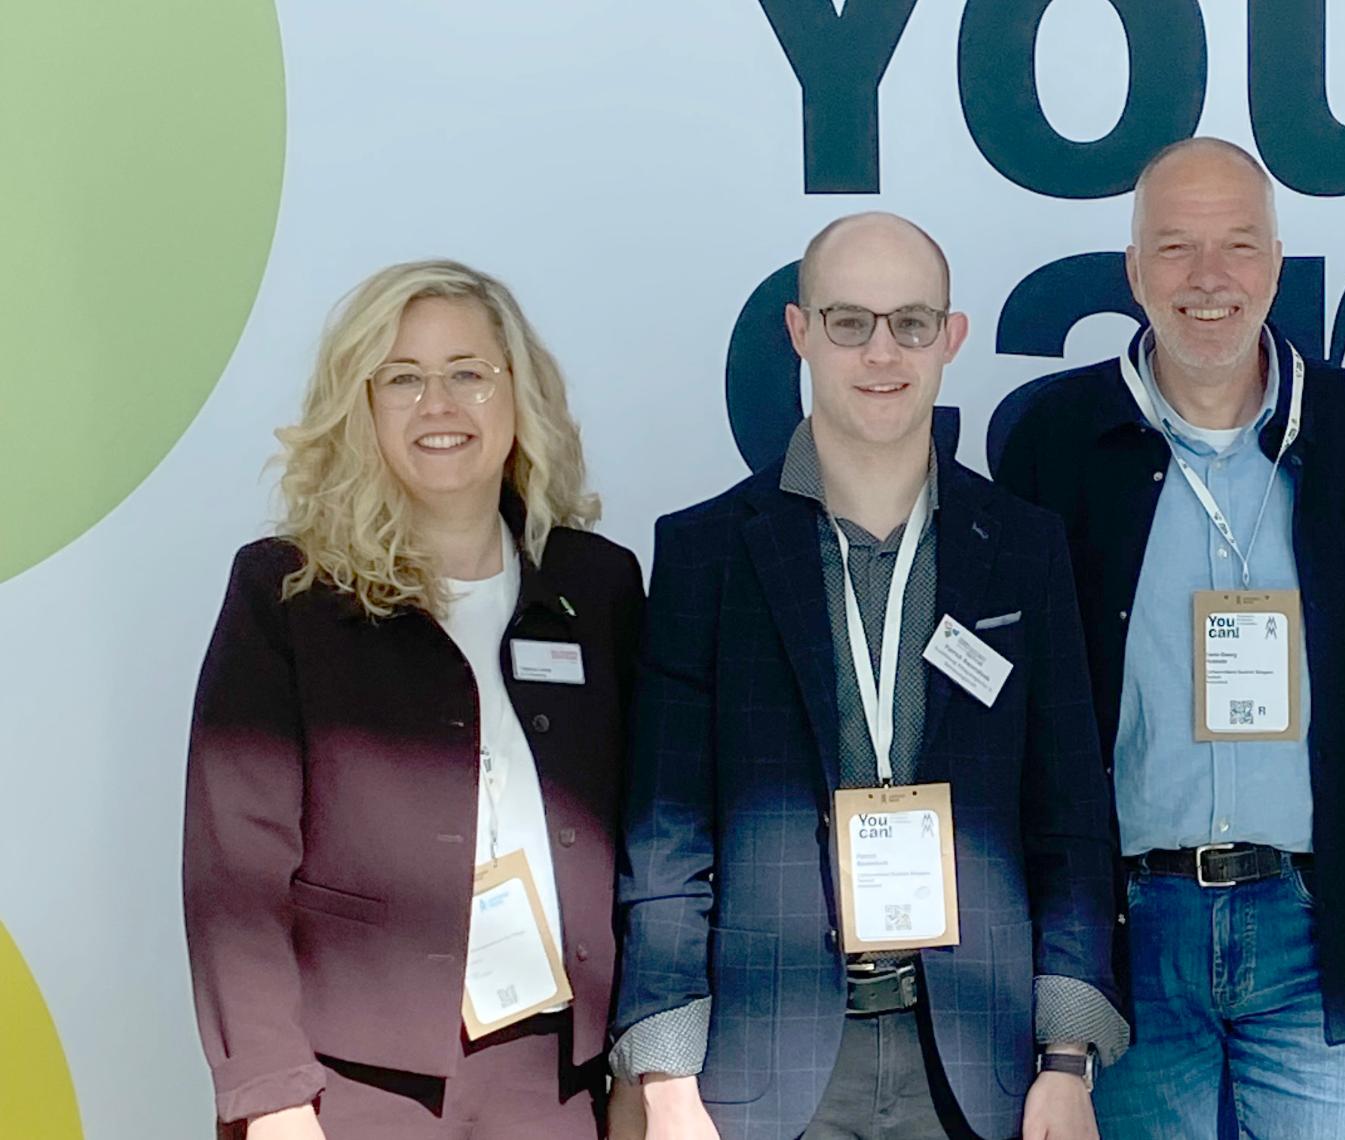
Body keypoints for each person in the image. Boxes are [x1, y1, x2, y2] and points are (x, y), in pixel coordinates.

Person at [991, 138, 1345, 1138]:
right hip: (1130, 933)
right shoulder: (1054, 441)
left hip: (1317, 931)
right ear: (1132, 271)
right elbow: (1018, 729)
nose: (1208, 280)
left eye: (1238, 247)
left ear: (1277, 261)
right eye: (1175, 249)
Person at [612, 212, 1125, 1140]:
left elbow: (1071, 818)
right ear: (800, 332)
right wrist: (665, 1073)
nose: (881, 351)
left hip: (980, 1065)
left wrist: (1065, 1058)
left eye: (911, 323)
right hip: (760, 1075)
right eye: (849, 322)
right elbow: (665, 836)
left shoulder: (1022, 548)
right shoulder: (706, 554)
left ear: (951, 339)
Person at [183, 260, 644, 1138]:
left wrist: (640, 1065)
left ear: (519, 395)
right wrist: (272, 1096)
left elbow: (648, 840)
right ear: (360, 406)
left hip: (556, 1077)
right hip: (350, 1080)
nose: (440, 404)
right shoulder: (287, 593)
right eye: (403, 378)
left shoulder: (600, 584)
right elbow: (232, 868)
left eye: (469, 372)